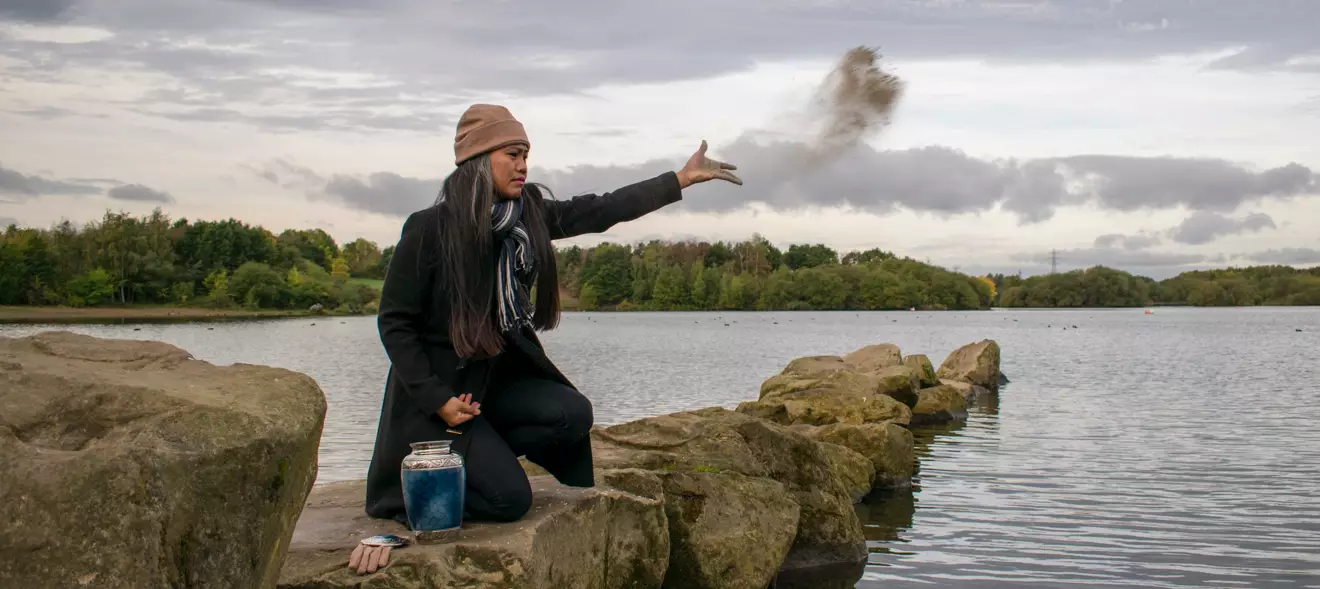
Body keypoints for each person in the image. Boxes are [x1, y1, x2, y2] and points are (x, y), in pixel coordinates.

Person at [350, 104, 740, 573]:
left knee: (572, 413)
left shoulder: (525, 215)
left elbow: (598, 210)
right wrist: (437, 399)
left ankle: (482, 450)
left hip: (492, 391)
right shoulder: (428, 229)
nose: (523, 165)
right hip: (440, 403)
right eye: (513, 154)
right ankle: (416, 494)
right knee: (510, 500)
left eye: (526, 155)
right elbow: (395, 323)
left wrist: (679, 179)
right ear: (478, 160)